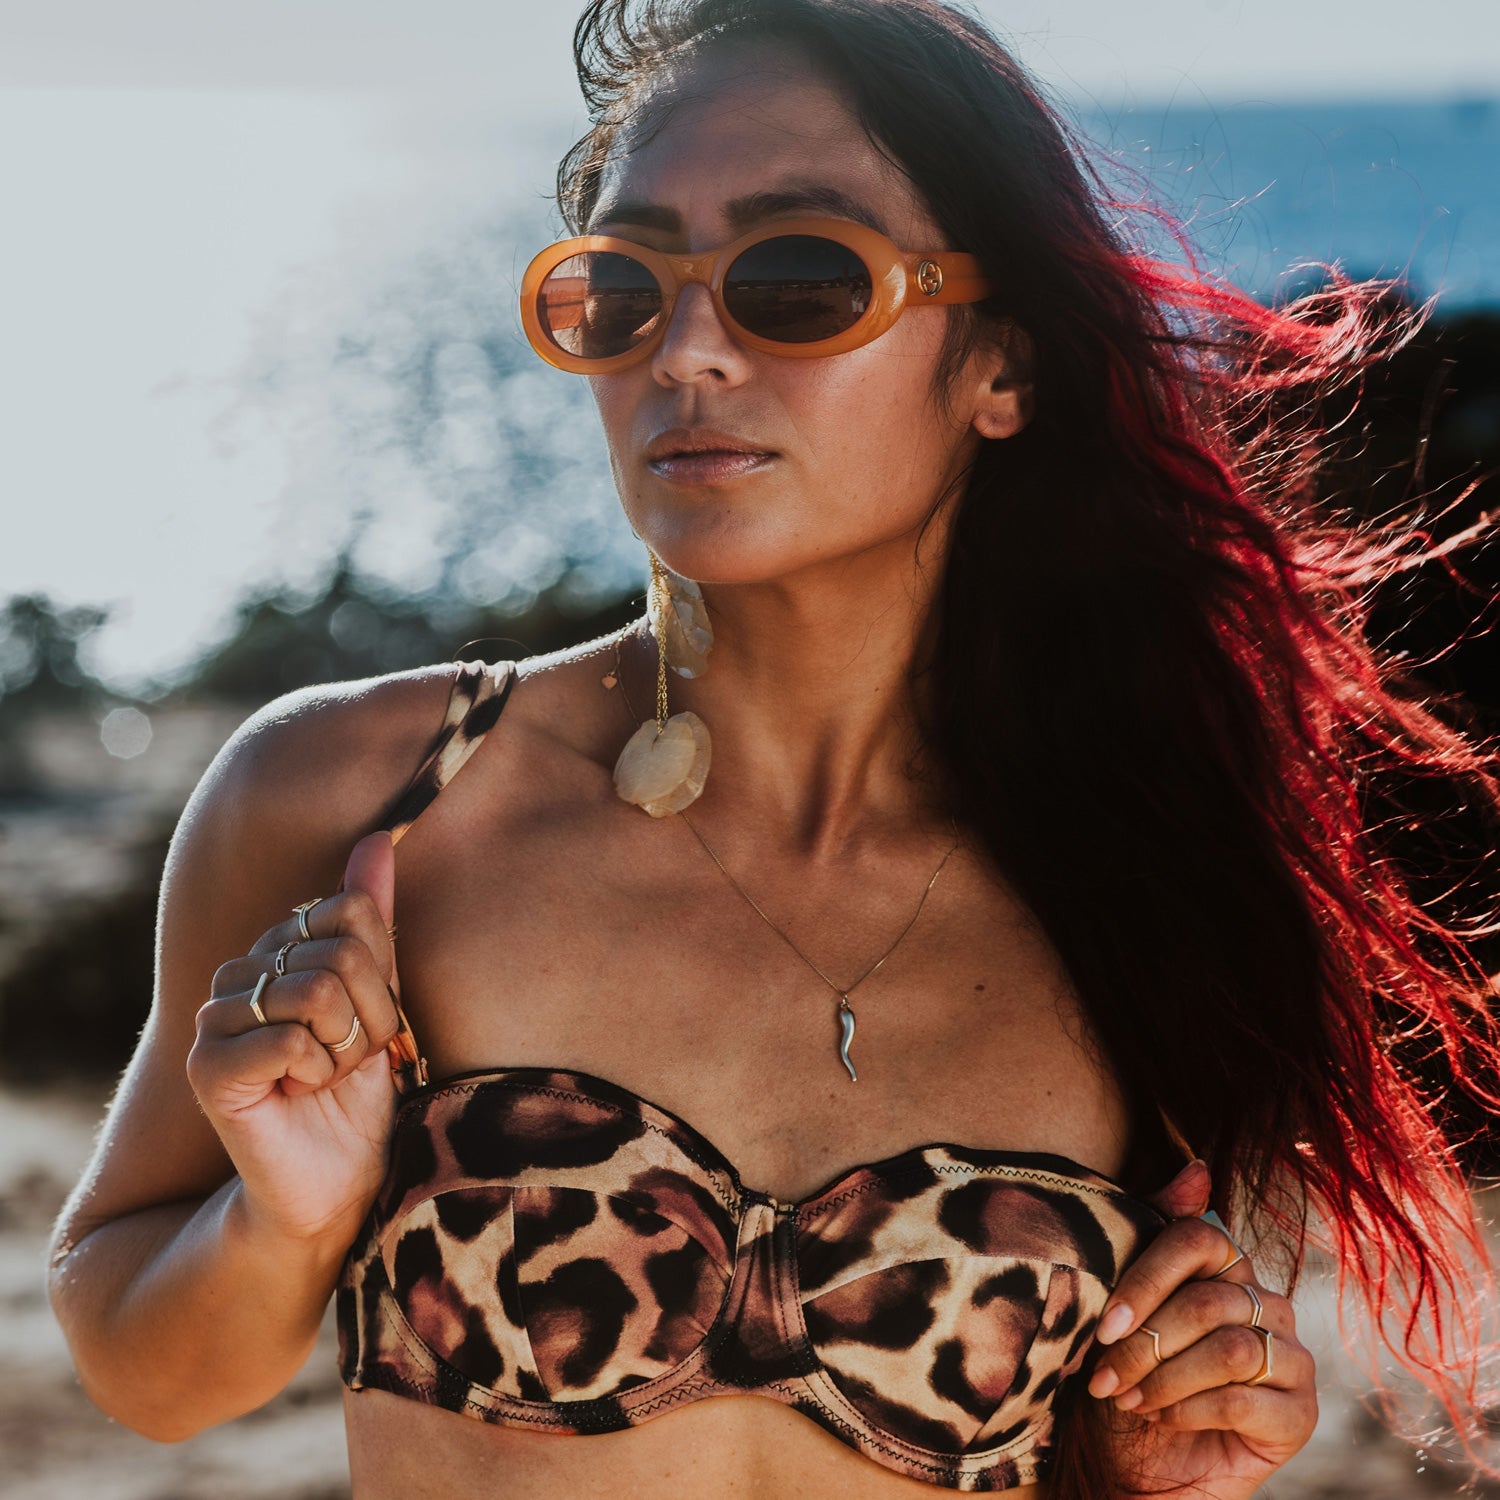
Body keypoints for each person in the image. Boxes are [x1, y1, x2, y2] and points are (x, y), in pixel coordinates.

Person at [47, 1, 1500, 1495]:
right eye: (620, 289)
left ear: (1001, 366)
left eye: (797, 279)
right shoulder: (375, 805)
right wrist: (284, 1219)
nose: (686, 349)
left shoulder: (1138, 891)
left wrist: (1147, 1452)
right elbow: (140, 1374)